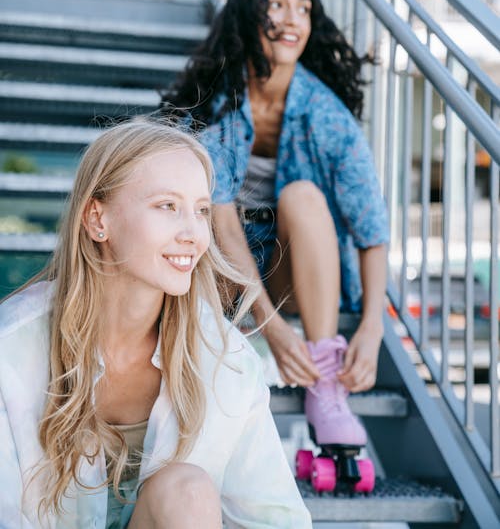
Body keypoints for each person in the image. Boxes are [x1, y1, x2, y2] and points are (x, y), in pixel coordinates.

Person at [0, 118, 312, 529]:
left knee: (187, 491)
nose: (193, 234)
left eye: (201, 210)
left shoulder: (224, 357)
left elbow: (277, 519)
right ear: (98, 220)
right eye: (168, 206)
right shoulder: (12, 347)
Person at [161, 0, 389, 454]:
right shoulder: (218, 101)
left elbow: (371, 230)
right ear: (249, 12)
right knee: (203, 219)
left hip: (294, 271)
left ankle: (325, 384)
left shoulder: (325, 113)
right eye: (277, 4)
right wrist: (270, 327)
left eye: (304, 8)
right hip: (221, 266)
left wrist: (372, 327)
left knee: (302, 196)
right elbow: (220, 219)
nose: (293, 19)